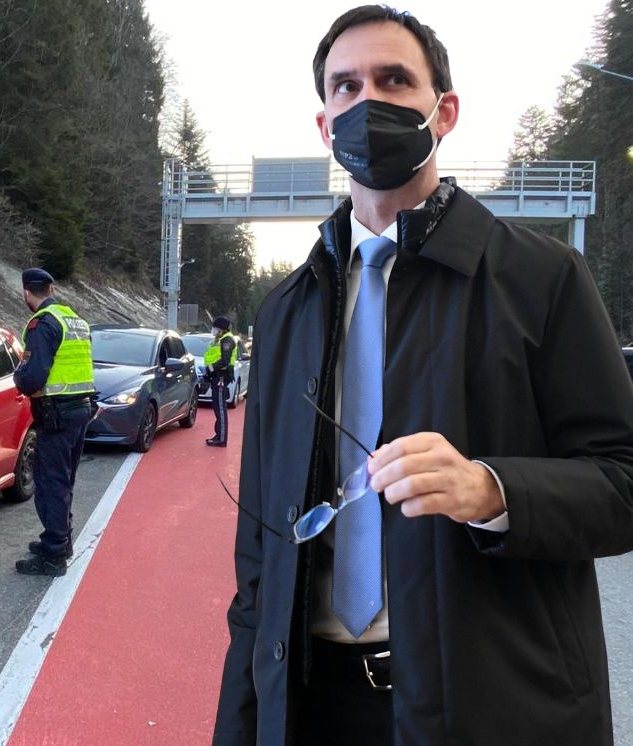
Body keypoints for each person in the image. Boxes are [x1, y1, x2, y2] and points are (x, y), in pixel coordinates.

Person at [212, 6, 633, 746]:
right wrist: (243, 724)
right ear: (323, 124)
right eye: (346, 86)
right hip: (313, 706)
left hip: (492, 708)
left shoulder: (542, 279)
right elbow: (261, 557)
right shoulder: (286, 310)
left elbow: (624, 482)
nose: (367, 101)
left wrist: (492, 490)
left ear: (444, 112)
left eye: (394, 79)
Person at [12, 267, 95, 577]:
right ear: (52, 289)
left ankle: (53, 556)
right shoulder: (75, 319)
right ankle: (61, 541)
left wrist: (17, 377)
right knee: (65, 480)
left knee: (50, 484)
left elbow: (33, 376)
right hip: (80, 410)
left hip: (57, 414)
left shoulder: (42, 324)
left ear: (26, 292)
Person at [204, 316, 238, 447]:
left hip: (221, 377)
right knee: (218, 407)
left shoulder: (227, 340)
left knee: (221, 409)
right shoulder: (221, 340)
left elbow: (224, 360)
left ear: (222, 330)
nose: (214, 331)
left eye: (216, 328)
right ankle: (218, 434)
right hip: (217, 376)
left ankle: (221, 438)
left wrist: (210, 368)